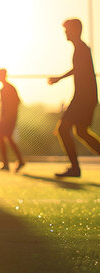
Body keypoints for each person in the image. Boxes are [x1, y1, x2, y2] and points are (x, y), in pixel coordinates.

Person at [48, 18, 100, 177]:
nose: (65, 32)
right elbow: (78, 69)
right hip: (86, 98)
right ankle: (75, 168)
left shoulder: (82, 48)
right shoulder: (80, 48)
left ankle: (75, 168)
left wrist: (58, 78)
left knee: (63, 129)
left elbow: (79, 70)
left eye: (67, 29)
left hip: (83, 99)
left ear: (75, 30)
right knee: (81, 132)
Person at [0, 69, 25, 172]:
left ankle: (11, 162)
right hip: (6, 118)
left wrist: (9, 116)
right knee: (4, 138)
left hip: (9, 119)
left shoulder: (8, 88)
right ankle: (12, 162)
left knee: (5, 137)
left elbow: (17, 102)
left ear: (4, 76)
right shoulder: (4, 88)